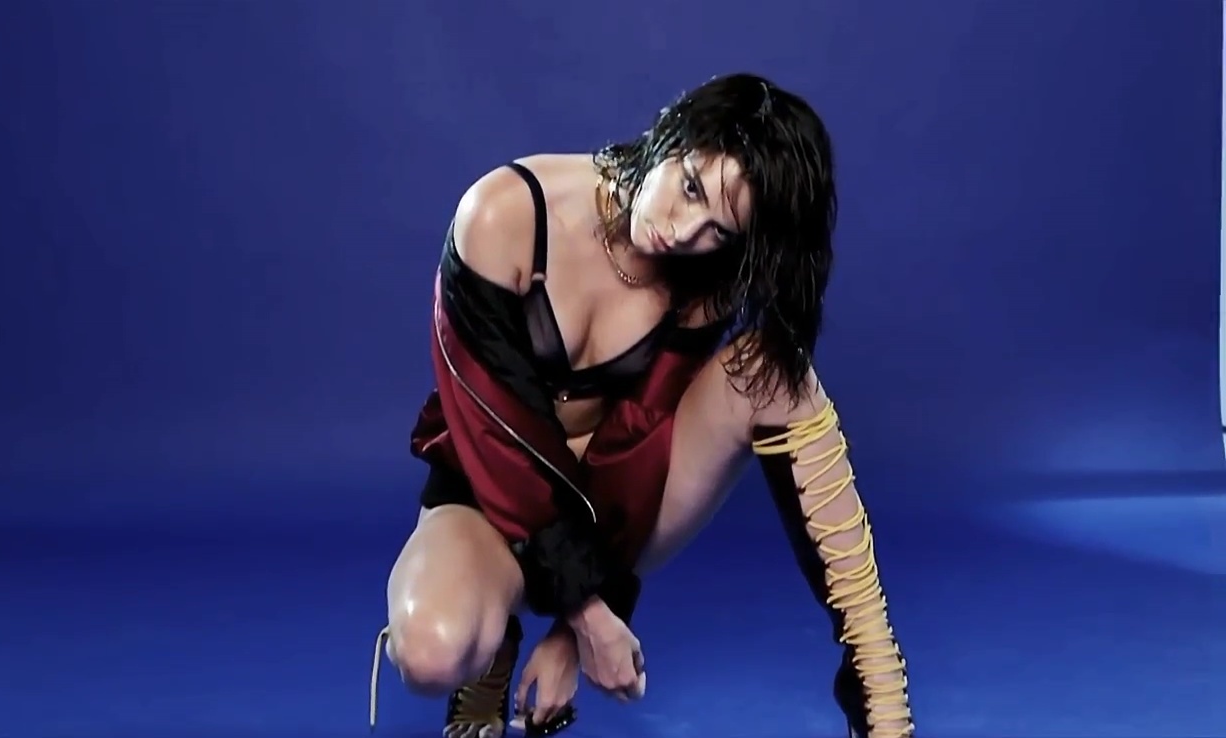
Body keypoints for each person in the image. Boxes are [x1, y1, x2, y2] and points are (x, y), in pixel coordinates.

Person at [368, 72, 914, 738]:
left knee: (777, 373)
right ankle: (490, 653)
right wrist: (586, 617)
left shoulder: (703, 275)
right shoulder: (505, 214)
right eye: (691, 188)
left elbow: (637, 440)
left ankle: (877, 690)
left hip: (611, 501)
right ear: (672, 132)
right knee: (430, 651)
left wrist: (580, 627)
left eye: (718, 230)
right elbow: (496, 444)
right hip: (492, 489)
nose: (683, 232)